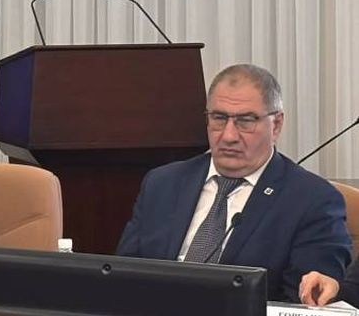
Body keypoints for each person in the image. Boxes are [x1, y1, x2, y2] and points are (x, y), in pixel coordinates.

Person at [116, 64, 352, 303]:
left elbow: (304, 301)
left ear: (276, 125)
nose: (228, 136)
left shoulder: (312, 200)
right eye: (219, 118)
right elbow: (124, 276)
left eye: (245, 121)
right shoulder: (162, 183)